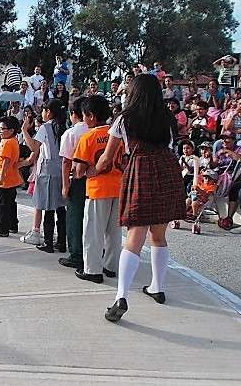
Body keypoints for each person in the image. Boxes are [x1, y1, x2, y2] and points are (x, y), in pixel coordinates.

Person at [96, 73, 186, 322]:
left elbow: (107, 157)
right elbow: (171, 147)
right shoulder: (167, 117)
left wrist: (92, 170)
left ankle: (121, 296)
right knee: (158, 235)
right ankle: (158, 287)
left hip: (140, 170)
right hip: (166, 170)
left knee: (134, 237)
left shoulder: (124, 119)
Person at [72, 95, 122, 283]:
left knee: (93, 232)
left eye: (84, 115)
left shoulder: (88, 137)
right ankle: (111, 266)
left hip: (97, 189)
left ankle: (93, 270)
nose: (83, 119)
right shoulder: (117, 135)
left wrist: (86, 171)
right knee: (114, 233)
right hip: (118, 187)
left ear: (91, 116)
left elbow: (79, 171)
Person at [21, 98, 67, 252]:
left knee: (48, 207)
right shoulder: (64, 126)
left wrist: (24, 130)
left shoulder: (46, 127)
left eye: (43, 110)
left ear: (48, 112)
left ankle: (48, 243)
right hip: (61, 169)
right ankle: (61, 242)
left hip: (47, 170)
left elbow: (34, 147)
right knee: (61, 208)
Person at [58, 97, 89, 269]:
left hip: (77, 178)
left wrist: (65, 185)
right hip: (96, 178)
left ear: (73, 114)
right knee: (93, 219)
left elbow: (66, 161)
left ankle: (76, 254)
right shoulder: (98, 130)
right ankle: (95, 253)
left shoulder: (71, 133)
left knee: (75, 218)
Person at [0, 116, 23, 237]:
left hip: (7, 178)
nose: (0, 131)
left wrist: (1, 176)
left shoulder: (8, 142)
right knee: (11, 203)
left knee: (3, 205)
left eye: (3, 129)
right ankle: (13, 225)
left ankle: (3, 228)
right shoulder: (12, 140)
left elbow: (6, 161)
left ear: (11, 130)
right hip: (12, 177)